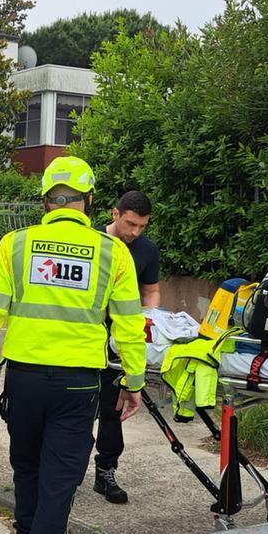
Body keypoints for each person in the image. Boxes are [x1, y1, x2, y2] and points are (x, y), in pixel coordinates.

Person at [0, 157, 147, 534]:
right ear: (88, 202)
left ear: (45, 199)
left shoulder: (16, 244)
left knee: (26, 469)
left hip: (23, 380)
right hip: (79, 386)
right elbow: (128, 324)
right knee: (59, 481)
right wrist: (134, 382)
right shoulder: (111, 252)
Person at [92, 190, 161, 503]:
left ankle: (105, 471)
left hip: (120, 343)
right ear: (115, 214)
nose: (135, 232)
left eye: (142, 227)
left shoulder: (147, 251)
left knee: (113, 407)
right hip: (86, 338)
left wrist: (148, 320)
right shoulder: (90, 242)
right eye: (131, 224)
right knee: (77, 410)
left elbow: (151, 291)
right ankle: (63, 469)